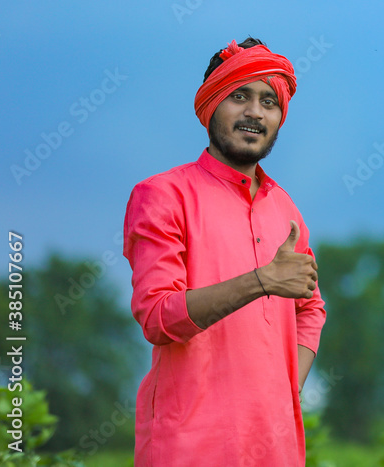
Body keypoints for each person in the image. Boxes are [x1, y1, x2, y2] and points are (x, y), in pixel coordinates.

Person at [123, 37, 326, 466]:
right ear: (211, 105)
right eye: (239, 96)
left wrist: (286, 389)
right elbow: (157, 317)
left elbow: (311, 308)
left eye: (269, 101)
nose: (255, 112)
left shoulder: (285, 209)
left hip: (276, 449)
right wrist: (261, 282)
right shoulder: (162, 195)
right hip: (188, 446)